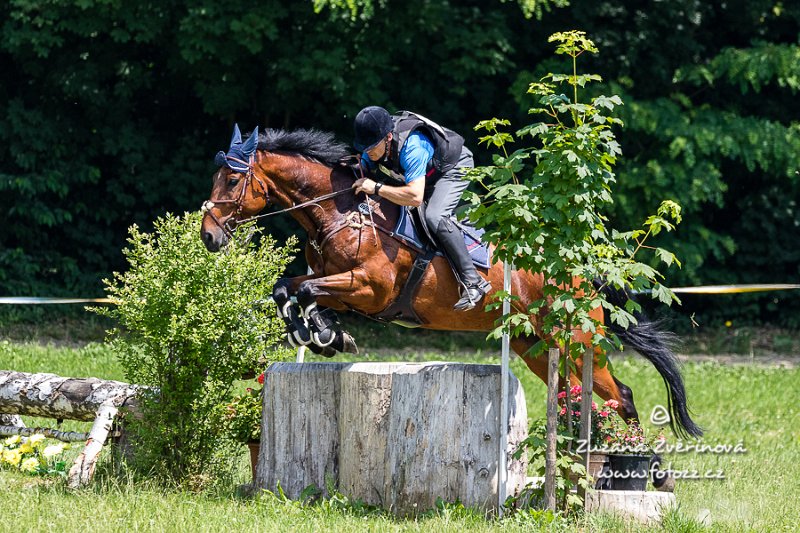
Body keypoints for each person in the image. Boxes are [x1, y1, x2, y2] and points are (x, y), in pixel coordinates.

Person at [351, 106, 491, 311]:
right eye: (364, 147)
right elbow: (362, 166)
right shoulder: (374, 148)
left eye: (372, 147)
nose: (368, 152)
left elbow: (415, 197)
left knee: (434, 216)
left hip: (453, 166)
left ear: (388, 137)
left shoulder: (412, 147)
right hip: (426, 173)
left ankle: (473, 281)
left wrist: (377, 188)